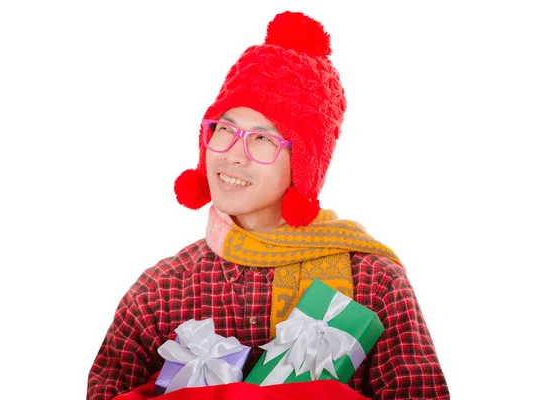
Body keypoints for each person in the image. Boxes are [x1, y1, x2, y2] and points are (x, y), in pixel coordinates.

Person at [87, 10, 449, 400]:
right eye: (224, 130)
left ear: (304, 165)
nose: (233, 156)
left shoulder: (374, 284)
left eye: (263, 140)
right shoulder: (159, 293)